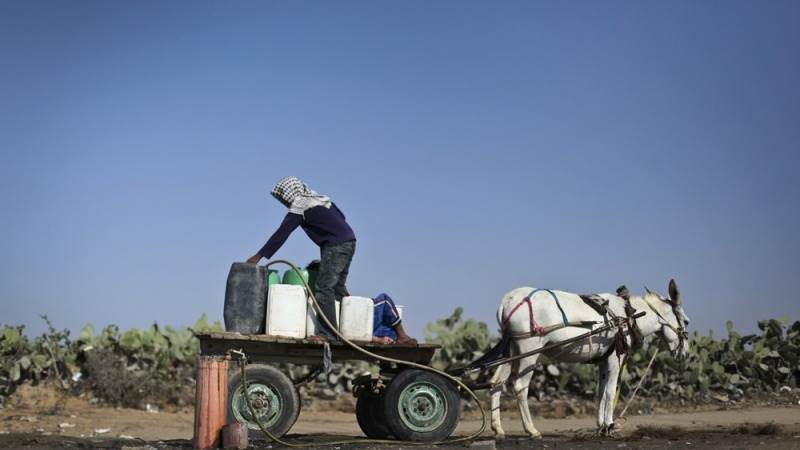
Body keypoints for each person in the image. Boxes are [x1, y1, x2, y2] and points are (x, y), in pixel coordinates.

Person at [247, 176, 355, 342]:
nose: (285, 202)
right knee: (338, 288)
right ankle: (349, 329)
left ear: (289, 193)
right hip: (349, 241)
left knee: (324, 287)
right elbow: (342, 217)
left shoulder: (300, 205)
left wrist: (258, 256)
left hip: (335, 245)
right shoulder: (319, 199)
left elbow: (282, 234)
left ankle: (328, 334)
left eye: (283, 198)